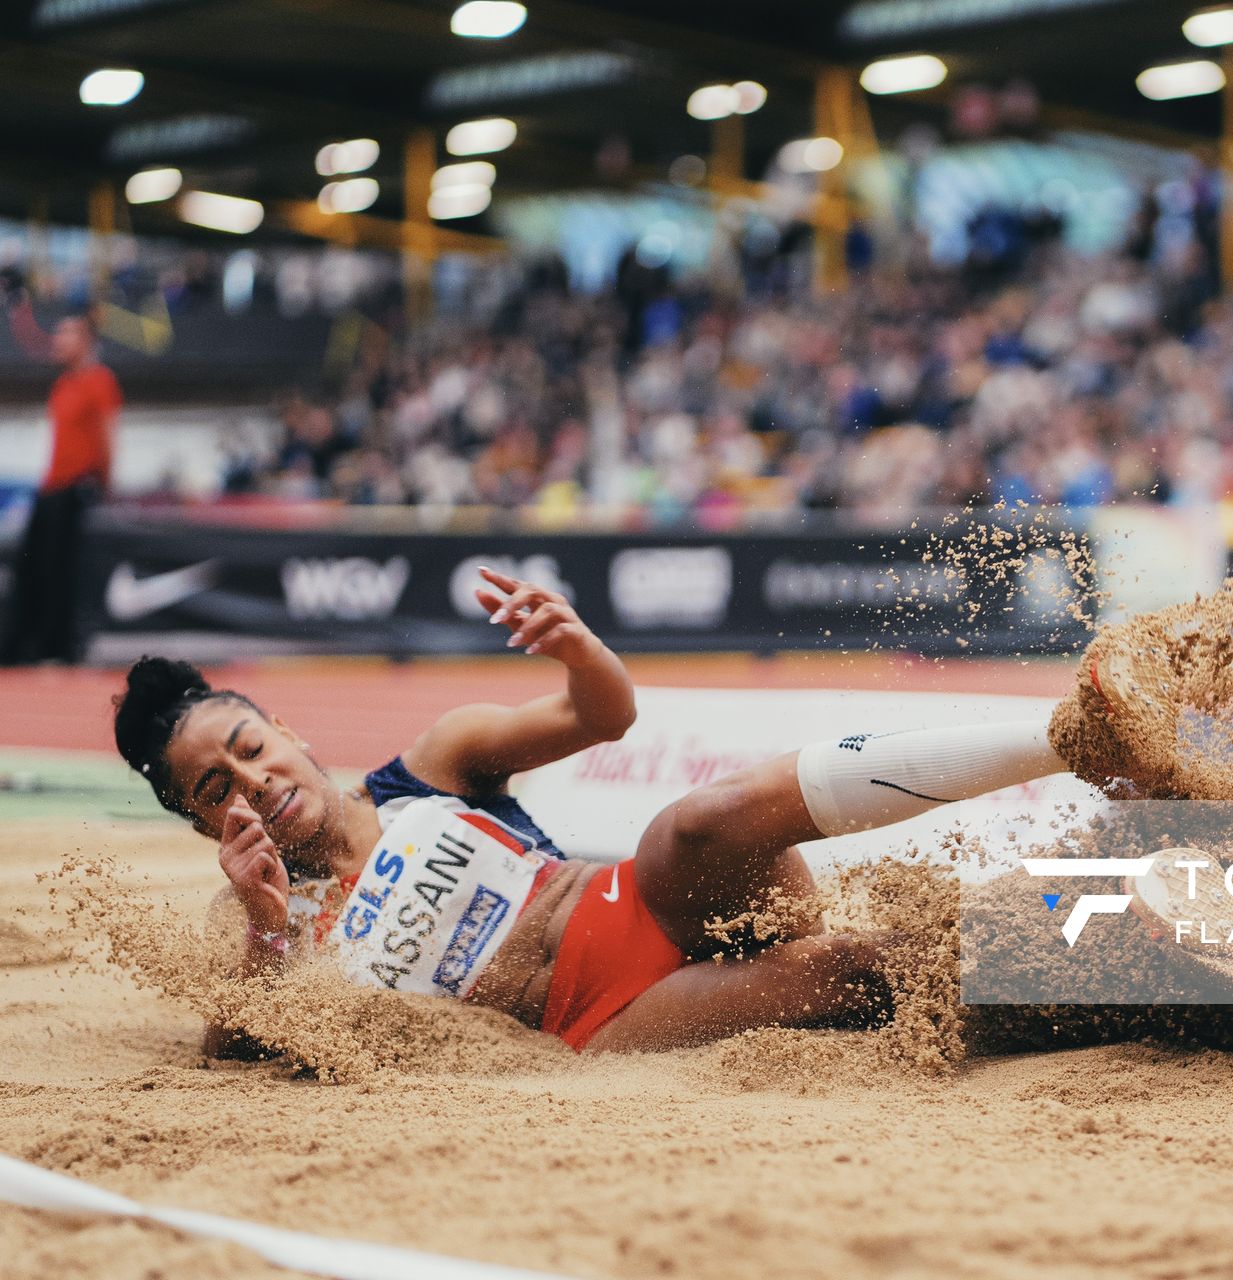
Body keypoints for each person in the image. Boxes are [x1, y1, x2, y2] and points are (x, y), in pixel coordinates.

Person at [112, 566, 1115, 1056]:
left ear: (281, 726)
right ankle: (1147, 964)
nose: (252, 783)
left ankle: (1070, 737)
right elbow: (238, 1050)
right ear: (203, 825)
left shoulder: (433, 763)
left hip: (644, 900)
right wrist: (264, 928)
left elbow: (606, 714)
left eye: (248, 749)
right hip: (604, 1017)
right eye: (216, 790)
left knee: (699, 820)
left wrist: (577, 646)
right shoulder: (252, 925)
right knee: (856, 972)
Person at [2, 301, 121, 665]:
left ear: (85, 341)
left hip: (75, 488)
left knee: (61, 570)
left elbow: (107, 436)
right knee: (32, 567)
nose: (57, 339)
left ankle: (58, 647)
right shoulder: (63, 384)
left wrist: (103, 483)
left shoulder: (99, 381)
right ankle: (26, 644)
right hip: (51, 487)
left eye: (66, 333)